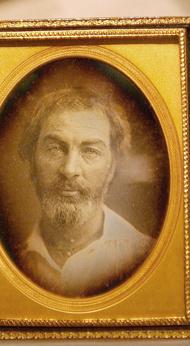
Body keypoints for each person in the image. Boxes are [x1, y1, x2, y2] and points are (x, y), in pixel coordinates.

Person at [17, 87, 155, 297]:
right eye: (55, 148)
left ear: (112, 168)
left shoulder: (147, 258)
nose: (69, 170)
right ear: (32, 161)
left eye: (90, 151)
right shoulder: (7, 257)